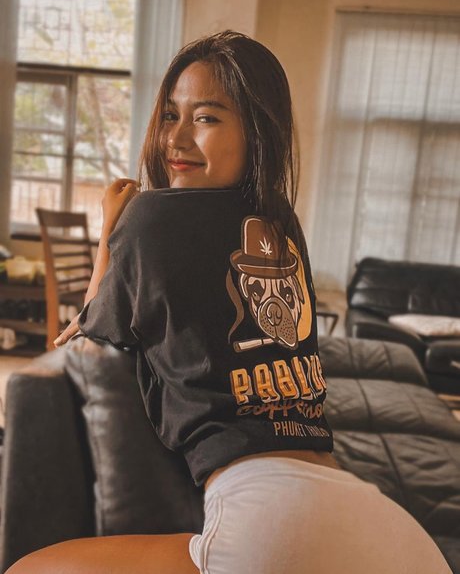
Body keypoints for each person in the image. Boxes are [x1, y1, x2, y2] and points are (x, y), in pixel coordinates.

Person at [7, 31, 452, 574]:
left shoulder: (150, 217)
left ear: (257, 130)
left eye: (206, 118)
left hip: (272, 520)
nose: (176, 138)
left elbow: (97, 320)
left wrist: (110, 227)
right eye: (170, 115)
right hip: (384, 527)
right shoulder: (281, 222)